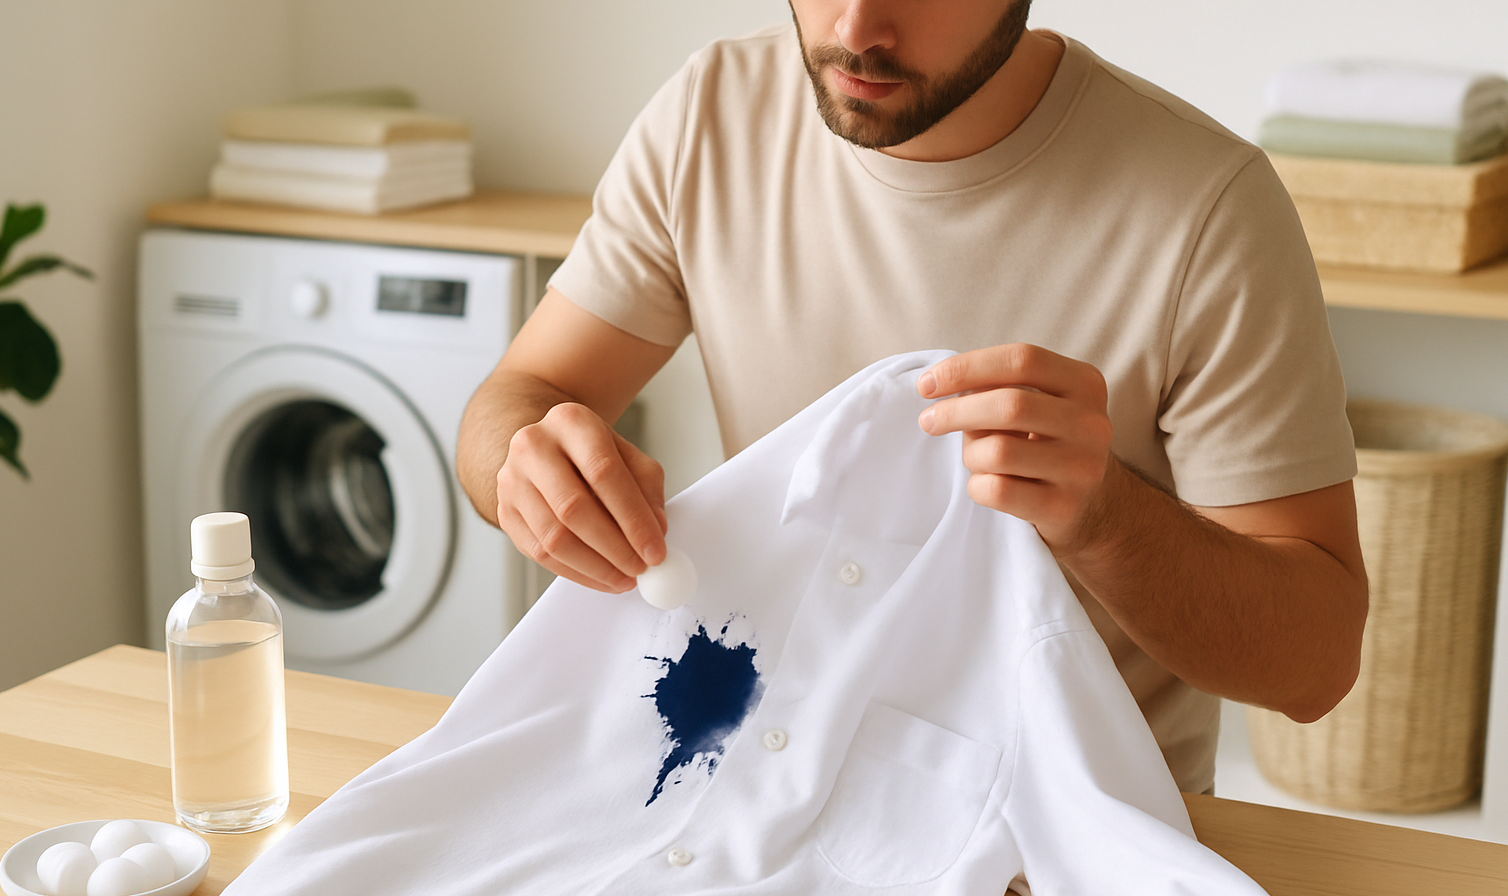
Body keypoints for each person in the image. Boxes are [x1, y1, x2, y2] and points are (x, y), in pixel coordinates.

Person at [455, 0, 1369, 795]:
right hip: (768, 778)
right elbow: (522, 396)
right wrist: (521, 466)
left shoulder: (1209, 209)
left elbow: (1315, 665)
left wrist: (1105, 516)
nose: (856, 30)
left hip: (1071, 831)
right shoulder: (712, 113)